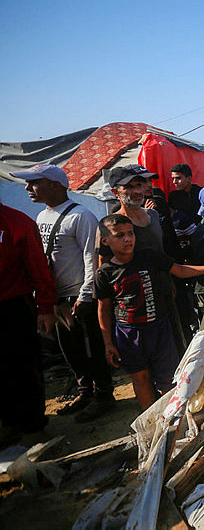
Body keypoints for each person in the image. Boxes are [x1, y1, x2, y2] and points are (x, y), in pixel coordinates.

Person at [13, 164, 115, 422]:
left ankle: (103, 395)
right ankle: (85, 392)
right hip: (57, 298)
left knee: (90, 348)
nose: (28, 188)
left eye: (34, 183)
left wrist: (86, 295)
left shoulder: (81, 216)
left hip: (77, 298)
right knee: (70, 350)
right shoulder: (41, 217)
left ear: (55, 185)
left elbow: (91, 257)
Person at [95, 214, 204, 410]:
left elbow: (180, 270)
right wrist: (108, 343)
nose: (127, 239)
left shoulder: (148, 256)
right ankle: (152, 424)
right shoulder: (104, 273)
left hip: (160, 328)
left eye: (130, 233)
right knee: (141, 378)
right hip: (128, 334)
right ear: (105, 240)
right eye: (119, 235)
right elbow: (103, 309)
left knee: (168, 379)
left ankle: (172, 423)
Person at [0, 201, 56, 446]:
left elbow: (38, 268)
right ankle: (9, 423)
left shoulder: (17, 223)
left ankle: (33, 426)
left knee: (23, 366)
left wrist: (45, 306)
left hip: (13, 305)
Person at [105, 165, 163, 256]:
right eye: (129, 187)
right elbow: (103, 262)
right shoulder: (110, 224)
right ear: (115, 192)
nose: (137, 191)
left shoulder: (153, 214)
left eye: (138, 185)